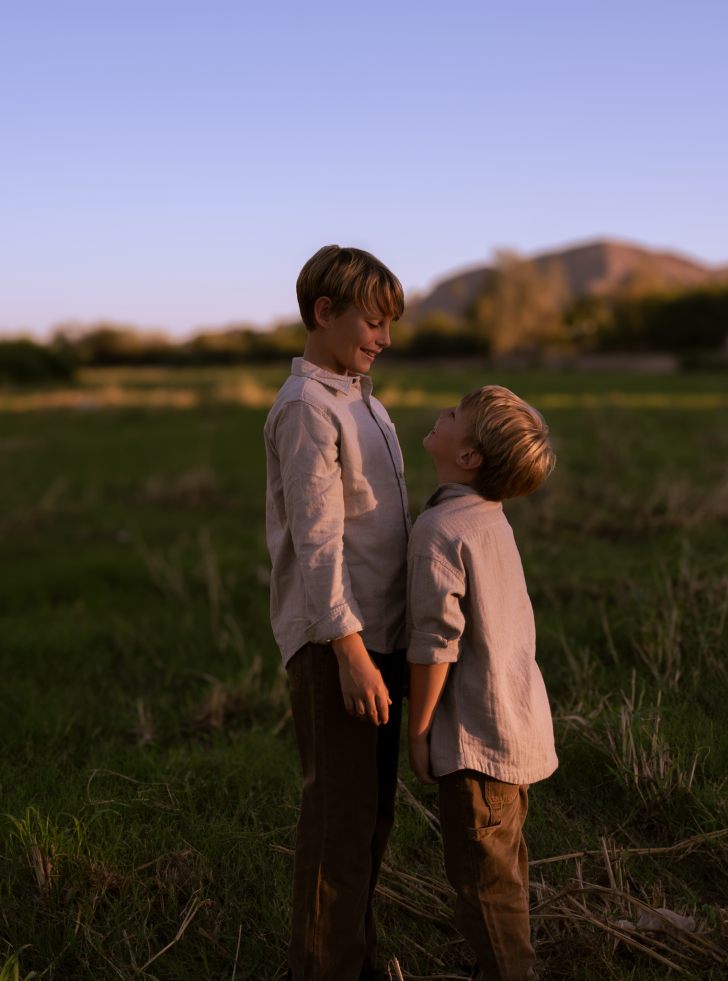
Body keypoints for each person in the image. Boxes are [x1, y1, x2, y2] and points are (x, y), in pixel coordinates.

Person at [264, 245, 411, 980]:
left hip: (377, 640)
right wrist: (350, 652)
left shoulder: (363, 400)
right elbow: (319, 544)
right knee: (338, 829)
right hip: (336, 644)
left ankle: (352, 959)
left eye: (389, 325)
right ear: (324, 313)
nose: (384, 338)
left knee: (370, 820)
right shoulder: (306, 409)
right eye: (374, 322)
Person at [406, 385, 558, 981]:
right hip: (516, 731)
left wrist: (419, 731)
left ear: (468, 457)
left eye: (453, 416)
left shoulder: (440, 528)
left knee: (485, 891)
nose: (440, 414)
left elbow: (434, 645)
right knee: (504, 875)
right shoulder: (489, 518)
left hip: (478, 745)